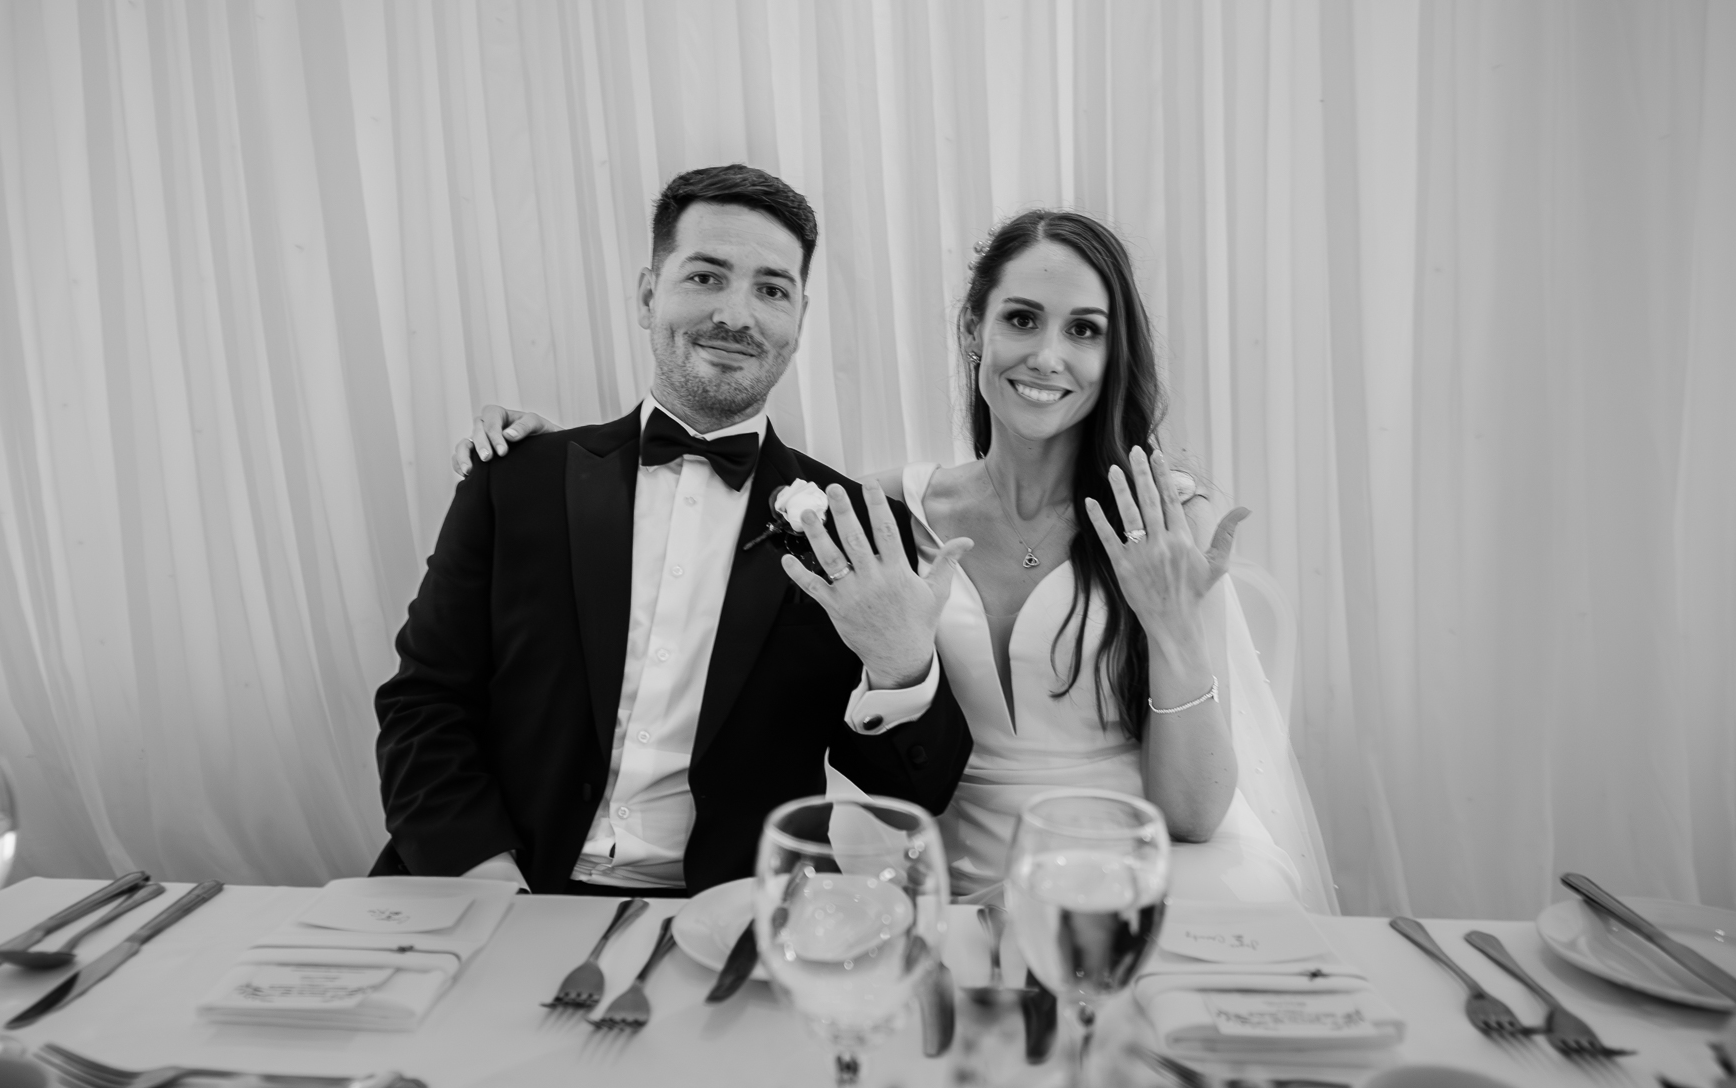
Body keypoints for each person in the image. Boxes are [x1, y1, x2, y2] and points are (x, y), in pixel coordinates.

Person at [460, 209, 1335, 911]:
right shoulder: (878, 508)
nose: (1047, 356)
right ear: (975, 332)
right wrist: (546, 465)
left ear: (1114, 355)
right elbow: (698, 574)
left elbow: (1191, 817)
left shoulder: (1164, 517)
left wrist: (1175, 631)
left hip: (1128, 865)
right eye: (1022, 319)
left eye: (1085, 330)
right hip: (936, 865)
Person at [374, 164, 972, 895]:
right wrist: (490, 885)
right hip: (494, 884)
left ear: (799, 319)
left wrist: (901, 665)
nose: (737, 315)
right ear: (648, 293)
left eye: (772, 289)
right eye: (705, 277)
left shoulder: (851, 522)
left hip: (729, 916)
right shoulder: (517, 477)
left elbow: (920, 790)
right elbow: (424, 704)